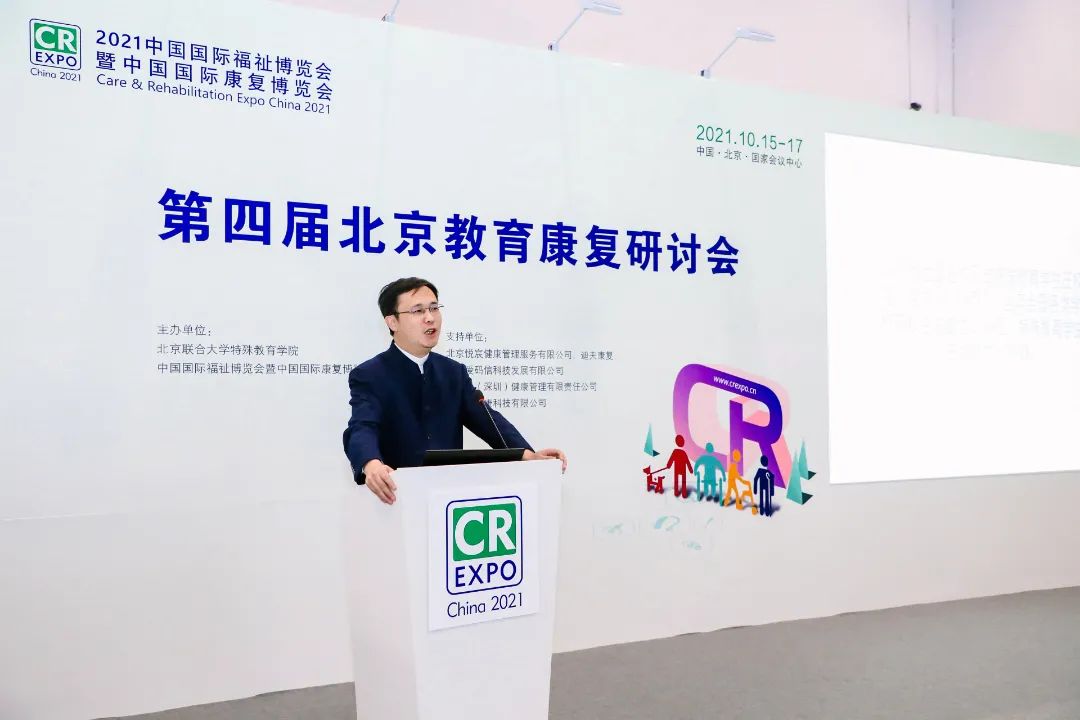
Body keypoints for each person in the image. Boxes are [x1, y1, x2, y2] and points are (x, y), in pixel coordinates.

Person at [343, 277, 567, 504]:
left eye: (434, 308)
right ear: (392, 322)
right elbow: (362, 427)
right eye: (418, 311)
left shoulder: (452, 372)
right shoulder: (371, 374)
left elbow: (489, 422)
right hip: (398, 500)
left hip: (450, 499)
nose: (430, 318)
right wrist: (371, 463)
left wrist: (529, 455)